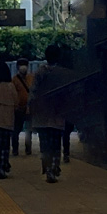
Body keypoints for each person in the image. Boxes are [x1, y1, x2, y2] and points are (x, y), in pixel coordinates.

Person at [29, 44, 75, 183]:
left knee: (45, 144)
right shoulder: (64, 74)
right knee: (56, 143)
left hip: (41, 113)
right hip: (58, 113)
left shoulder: (39, 72)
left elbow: (33, 92)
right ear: (59, 57)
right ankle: (55, 166)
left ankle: (47, 167)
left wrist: (31, 107)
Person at [11, 57, 33, 156]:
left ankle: (28, 148)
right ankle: (15, 149)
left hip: (30, 108)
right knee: (16, 129)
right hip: (18, 108)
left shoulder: (31, 78)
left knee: (29, 130)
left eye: (25, 65)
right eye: (21, 65)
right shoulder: (14, 80)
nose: (23, 67)